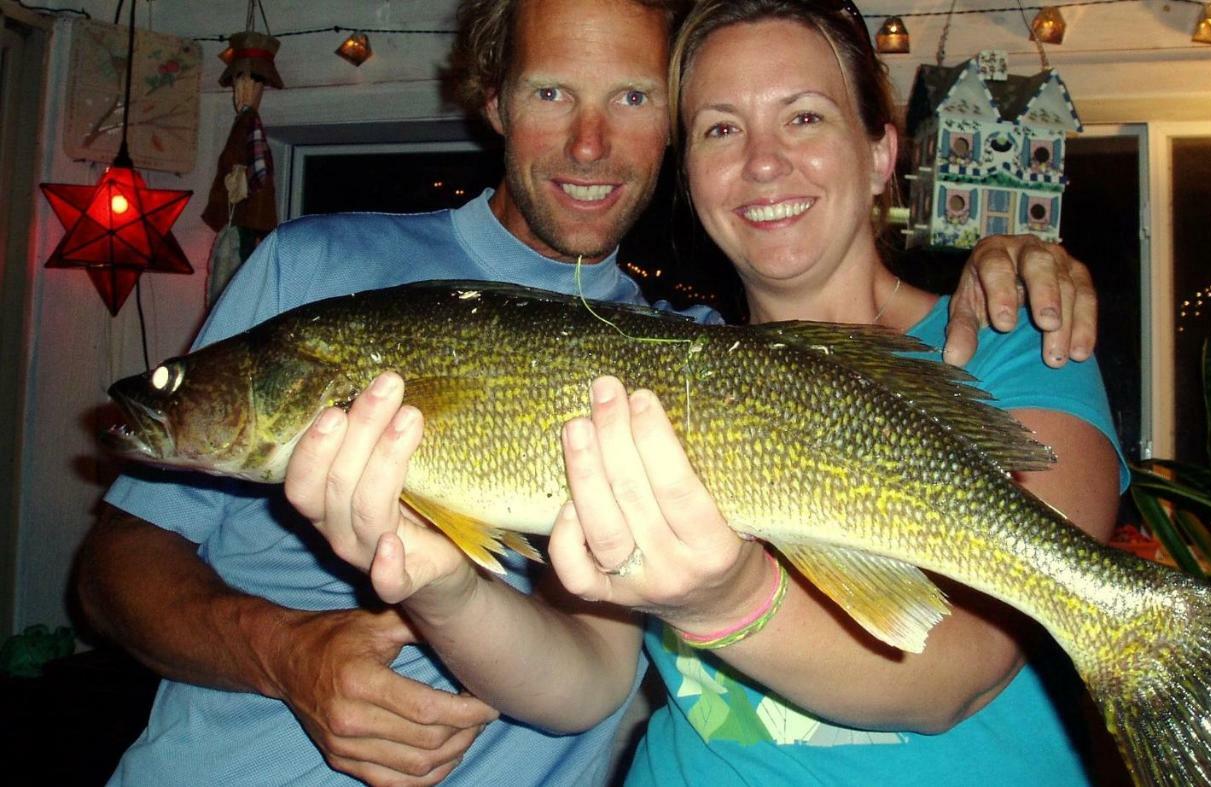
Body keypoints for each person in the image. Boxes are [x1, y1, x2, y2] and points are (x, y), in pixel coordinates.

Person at [78, 0, 1100, 784]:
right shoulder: (330, 269)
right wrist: (417, 589)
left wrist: (1003, 259)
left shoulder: (695, 355)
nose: (587, 144)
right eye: (722, 129)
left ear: (883, 152)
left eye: (632, 99)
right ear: (493, 101)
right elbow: (594, 675)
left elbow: (952, 666)